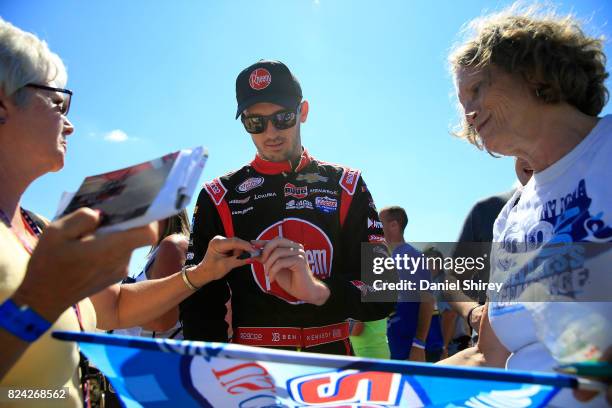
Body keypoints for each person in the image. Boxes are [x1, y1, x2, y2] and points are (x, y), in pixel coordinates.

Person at [0, 19, 256, 407]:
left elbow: (116, 307)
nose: (69, 124)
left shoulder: (39, 230)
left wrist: (202, 272)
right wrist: (38, 299)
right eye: (57, 102)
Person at [440, 5, 611, 406]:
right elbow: (488, 356)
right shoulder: (510, 218)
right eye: (462, 98)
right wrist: (384, 387)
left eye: (477, 88)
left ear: (533, 72)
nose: (468, 110)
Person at [180, 60, 394, 355]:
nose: (270, 133)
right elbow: (200, 307)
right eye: (255, 122)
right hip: (252, 371)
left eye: (282, 118)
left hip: (332, 371)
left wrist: (320, 291)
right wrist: (210, 376)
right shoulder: (218, 196)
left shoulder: (347, 185)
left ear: (303, 112)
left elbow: (384, 291)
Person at [112, 210, 190, 339]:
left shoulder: (173, 245)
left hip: (148, 356)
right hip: (141, 355)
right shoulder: (168, 248)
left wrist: (110, 307)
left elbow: (162, 319)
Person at [379, 206, 434, 361]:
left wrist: (418, 344)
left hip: (407, 349)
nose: (374, 226)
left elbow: (428, 300)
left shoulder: (413, 256)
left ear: (394, 225)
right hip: (389, 348)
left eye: (379, 222)